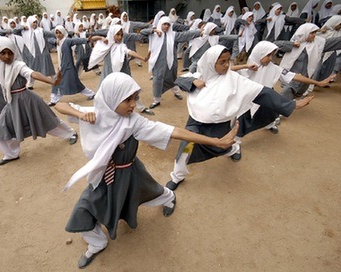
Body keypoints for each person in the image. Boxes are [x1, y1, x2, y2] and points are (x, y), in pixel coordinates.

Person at [56, 72, 239, 269]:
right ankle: (97, 243)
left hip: (129, 173)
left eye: (135, 98)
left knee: (150, 192)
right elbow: (60, 105)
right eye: (127, 100)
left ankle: (169, 198)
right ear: (111, 98)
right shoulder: (94, 113)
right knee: (84, 209)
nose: (133, 104)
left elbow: (173, 131)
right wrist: (80, 114)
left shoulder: (133, 122)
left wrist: (215, 141)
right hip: (102, 176)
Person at [166, 45, 312, 191]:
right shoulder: (199, 75)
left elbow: (262, 92)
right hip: (195, 124)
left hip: (219, 125)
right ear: (211, 62)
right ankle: (177, 176)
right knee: (185, 150)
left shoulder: (235, 80)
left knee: (221, 147)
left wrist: (291, 105)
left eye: (228, 61)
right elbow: (179, 80)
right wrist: (192, 82)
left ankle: (234, 149)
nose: (226, 65)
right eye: (222, 62)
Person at [0, 37, 78, 166]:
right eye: (3, 53)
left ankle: (71, 133)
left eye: (10, 52)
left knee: (48, 121)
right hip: (12, 103)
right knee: (3, 128)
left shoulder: (18, 65)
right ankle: (11, 154)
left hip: (27, 100)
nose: (7, 56)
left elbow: (32, 73)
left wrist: (51, 81)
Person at [87, 24, 153, 115]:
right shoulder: (106, 45)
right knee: (102, 92)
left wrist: (143, 58)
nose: (120, 37)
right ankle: (98, 110)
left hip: (123, 74)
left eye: (121, 35)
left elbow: (130, 52)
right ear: (112, 34)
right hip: (109, 74)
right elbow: (91, 38)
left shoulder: (122, 46)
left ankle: (141, 108)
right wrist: (101, 38)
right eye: (117, 34)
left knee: (131, 91)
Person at [140, 16, 201, 109]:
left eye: (168, 24)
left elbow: (186, 35)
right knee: (157, 80)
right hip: (158, 62)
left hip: (171, 62)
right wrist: (154, 30)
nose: (166, 26)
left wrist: (199, 32)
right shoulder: (154, 34)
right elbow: (142, 32)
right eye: (164, 24)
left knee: (172, 78)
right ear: (160, 24)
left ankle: (176, 92)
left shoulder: (173, 35)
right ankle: (156, 100)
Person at [47, 25, 95, 106]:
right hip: (62, 67)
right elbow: (49, 39)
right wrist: (55, 42)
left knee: (73, 84)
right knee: (59, 83)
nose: (58, 35)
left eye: (60, 33)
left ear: (63, 33)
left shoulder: (67, 41)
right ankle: (53, 100)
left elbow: (76, 40)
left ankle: (91, 94)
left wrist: (86, 40)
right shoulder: (58, 42)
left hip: (68, 68)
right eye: (57, 33)